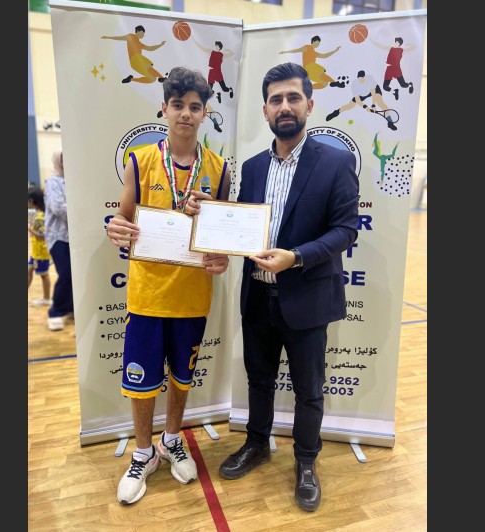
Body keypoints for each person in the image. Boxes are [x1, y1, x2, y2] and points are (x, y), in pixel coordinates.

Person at [217, 62, 359, 513]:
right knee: (258, 379)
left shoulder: (335, 162)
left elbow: (346, 230)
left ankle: (306, 462)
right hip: (258, 296)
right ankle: (257, 443)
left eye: (293, 97)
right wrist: (212, 221)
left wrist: (295, 257)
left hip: (308, 298)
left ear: (309, 105)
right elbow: (241, 227)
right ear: (265, 110)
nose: (284, 106)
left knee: (308, 389)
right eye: (275, 99)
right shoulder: (254, 167)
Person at [104, 66, 231, 505]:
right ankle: (143, 453)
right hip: (147, 295)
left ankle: (172, 439)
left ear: (204, 112)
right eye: (178, 105)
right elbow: (122, 218)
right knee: (141, 381)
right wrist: (114, 228)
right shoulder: (139, 160)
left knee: (181, 377)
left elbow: (222, 236)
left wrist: (220, 257)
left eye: (194, 106)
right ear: (164, 108)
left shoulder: (219, 168)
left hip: (193, 296)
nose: (186, 114)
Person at [45, 150, 74, 331]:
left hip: (76, 238)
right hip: (58, 237)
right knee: (66, 274)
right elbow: (57, 208)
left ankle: (71, 307)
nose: (65, 162)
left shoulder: (75, 180)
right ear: (57, 161)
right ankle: (56, 311)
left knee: (75, 275)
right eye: (62, 159)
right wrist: (81, 211)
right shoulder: (53, 182)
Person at [325, 69, 398, 130]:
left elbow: (373, 93)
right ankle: (336, 112)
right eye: (359, 79)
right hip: (362, 93)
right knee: (350, 105)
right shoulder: (354, 85)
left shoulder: (369, 79)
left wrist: (373, 105)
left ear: (364, 77)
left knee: (380, 103)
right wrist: (366, 107)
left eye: (362, 79)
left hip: (374, 90)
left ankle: (390, 122)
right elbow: (358, 100)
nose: (360, 80)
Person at [102, 25, 167, 84]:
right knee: (148, 66)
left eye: (143, 34)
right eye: (142, 33)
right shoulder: (131, 36)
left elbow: (150, 48)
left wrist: (161, 44)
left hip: (135, 64)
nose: (143, 35)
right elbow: (120, 38)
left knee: (153, 79)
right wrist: (107, 37)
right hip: (135, 58)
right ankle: (162, 78)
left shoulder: (139, 44)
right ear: (137, 31)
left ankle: (130, 79)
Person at [279, 36, 345, 90]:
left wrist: (335, 50)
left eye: (318, 43)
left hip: (311, 71)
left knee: (324, 83)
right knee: (321, 73)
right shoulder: (307, 47)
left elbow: (324, 55)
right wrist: (285, 52)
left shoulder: (315, 53)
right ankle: (335, 82)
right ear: (313, 42)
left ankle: (308, 88)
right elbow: (297, 50)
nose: (317, 44)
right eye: (316, 43)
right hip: (309, 67)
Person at [27, 187, 52, 306]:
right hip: (36, 250)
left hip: (42, 251)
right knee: (29, 270)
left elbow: (42, 236)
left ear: (32, 201)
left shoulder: (40, 216)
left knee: (43, 275)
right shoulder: (38, 213)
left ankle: (46, 298)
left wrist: (29, 229)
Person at [192, 38, 235, 103]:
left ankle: (230, 90)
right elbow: (202, 48)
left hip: (218, 72)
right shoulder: (211, 52)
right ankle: (216, 95)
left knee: (224, 89)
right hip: (212, 72)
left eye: (217, 46)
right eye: (215, 46)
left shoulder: (222, 55)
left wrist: (228, 50)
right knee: (209, 89)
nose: (216, 47)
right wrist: (195, 41)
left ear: (219, 47)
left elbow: (232, 54)